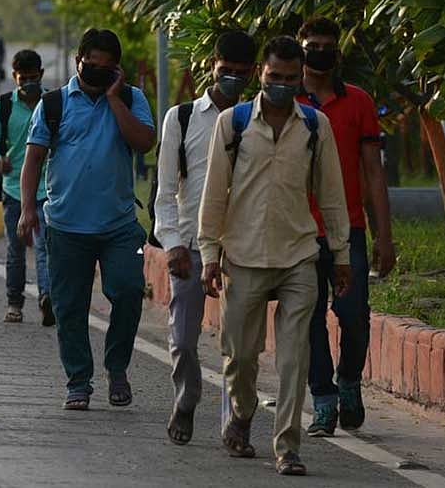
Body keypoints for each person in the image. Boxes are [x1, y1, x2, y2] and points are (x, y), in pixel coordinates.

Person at [199, 35, 350, 477]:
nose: (280, 85)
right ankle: (242, 413)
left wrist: (340, 253)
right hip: (243, 255)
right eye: (272, 77)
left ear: (300, 76)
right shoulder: (235, 123)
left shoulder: (315, 127)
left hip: (298, 255)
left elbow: (332, 194)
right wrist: (210, 253)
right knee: (240, 355)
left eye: (289, 78)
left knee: (293, 357)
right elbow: (213, 196)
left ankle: (287, 446)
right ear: (259, 75)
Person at [19, 28, 156, 411]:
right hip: (66, 226)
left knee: (129, 291)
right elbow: (33, 159)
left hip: (118, 225)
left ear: (116, 70)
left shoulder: (131, 99)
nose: (95, 73)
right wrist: (28, 208)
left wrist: (114, 100)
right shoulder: (54, 104)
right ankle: (78, 380)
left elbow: (144, 143)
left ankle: (117, 369)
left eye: (105, 69)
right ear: (78, 61)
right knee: (69, 307)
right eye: (90, 66)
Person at [153, 31, 257, 445]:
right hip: (191, 248)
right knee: (182, 340)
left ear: (252, 74)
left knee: (239, 346)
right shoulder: (181, 118)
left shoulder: (258, 120)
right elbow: (163, 192)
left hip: (241, 248)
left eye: (239, 72)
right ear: (211, 65)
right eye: (224, 70)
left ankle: (236, 424)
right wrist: (173, 243)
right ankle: (187, 396)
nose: (230, 77)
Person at [297, 16, 395, 436]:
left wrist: (384, 236)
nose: (320, 51)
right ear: (301, 48)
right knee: (306, 317)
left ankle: (349, 380)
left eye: (328, 45)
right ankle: (323, 399)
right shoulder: (285, 101)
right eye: (312, 44)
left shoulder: (358, 102)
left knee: (353, 315)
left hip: (348, 229)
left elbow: (373, 171)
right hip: (297, 230)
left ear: (338, 51)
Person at [0, 49, 53, 326]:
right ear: (14, 77)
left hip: (47, 188)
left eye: (33, 78)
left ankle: (47, 297)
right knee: (16, 249)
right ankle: (15, 302)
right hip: (13, 188)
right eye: (23, 79)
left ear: (41, 75)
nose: (28, 84)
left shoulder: (52, 103)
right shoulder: (5, 105)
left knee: (45, 245)